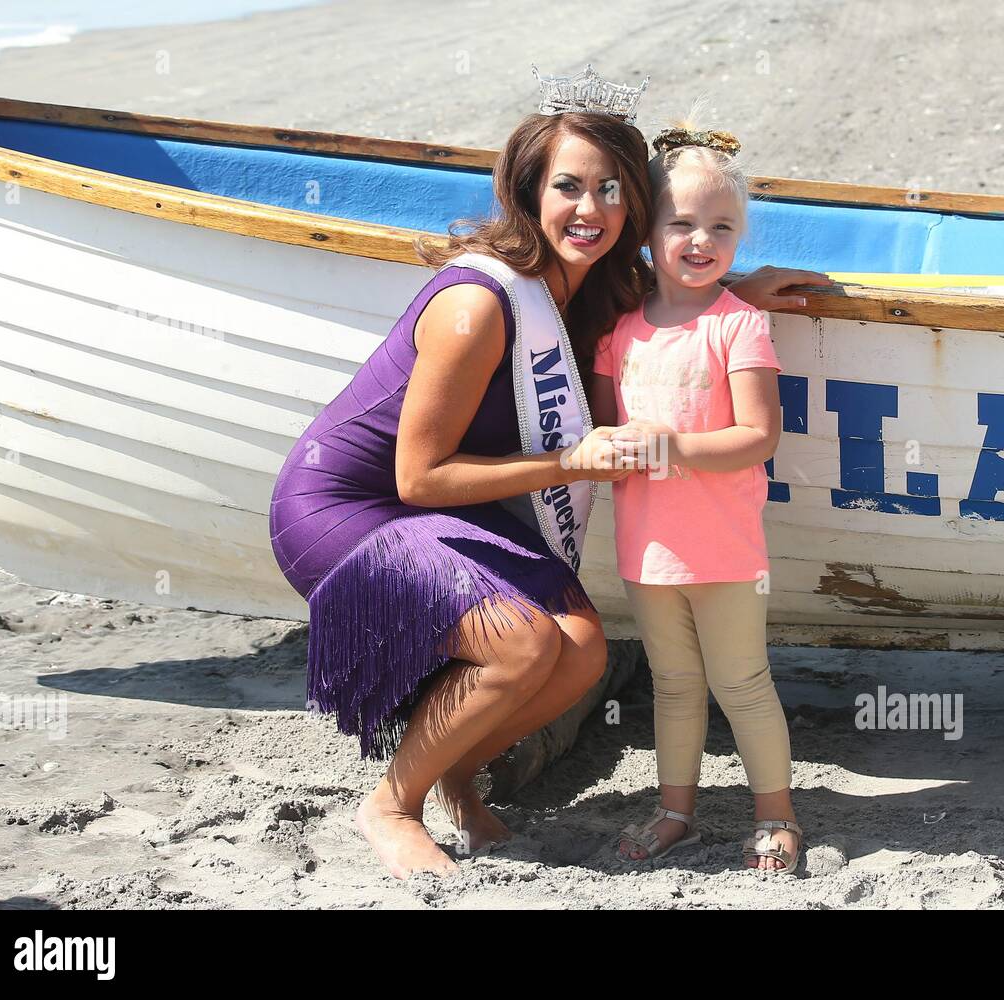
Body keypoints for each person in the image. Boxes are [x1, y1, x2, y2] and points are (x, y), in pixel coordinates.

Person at [268, 70, 831, 880]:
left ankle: (458, 777)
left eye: (611, 189)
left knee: (580, 653)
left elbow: (669, 309)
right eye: (568, 186)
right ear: (529, 189)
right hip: (355, 510)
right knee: (525, 644)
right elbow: (418, 478)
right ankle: (393, 803)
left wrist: (738, 287)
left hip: (457, 509)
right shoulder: (480, 305)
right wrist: (571, 462)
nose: (590, 209)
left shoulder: (595, 293)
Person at [593, 120, 802, 873]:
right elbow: (602, 431)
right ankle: (674, 808)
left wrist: (666, 446)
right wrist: (610, 450)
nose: (700, 240)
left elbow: (758, 436)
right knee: (675, 686)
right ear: (647, 231)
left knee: (743, 682)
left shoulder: (739, 325)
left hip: (724, 549)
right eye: (680, 222)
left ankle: (776, 815)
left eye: (722, 227)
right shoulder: (620, 333)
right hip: (646, 548)